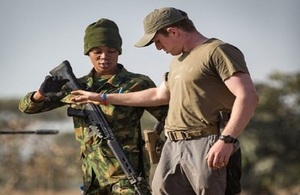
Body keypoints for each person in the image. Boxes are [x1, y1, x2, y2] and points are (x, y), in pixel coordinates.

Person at [71, 7, 259, 195]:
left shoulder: (217, 51)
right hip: (174, 146)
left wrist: (226, 140)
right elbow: (157, 95)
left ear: (173, 31)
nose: (159, 47)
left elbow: (248, 96)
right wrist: (103, 97)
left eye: (158, 41)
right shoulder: (178, 60)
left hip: (206, 142)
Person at [19, 18, 167, 195]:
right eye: (97, 51)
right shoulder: (74, 86)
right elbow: (27, 108)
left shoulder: (137, 83)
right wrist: (40, 94)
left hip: (127, 176)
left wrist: (154, 140)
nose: (105, 56)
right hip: (93, 178)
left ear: (119, 52)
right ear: (88, 53)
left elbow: (168, 115)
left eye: (111, 50)